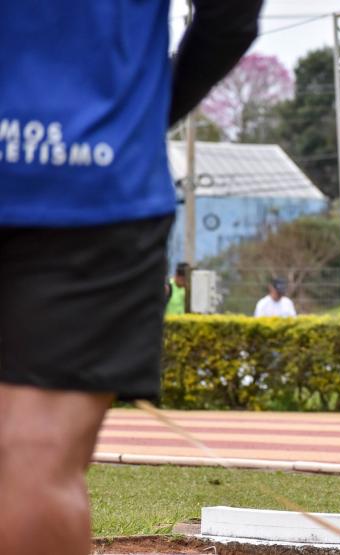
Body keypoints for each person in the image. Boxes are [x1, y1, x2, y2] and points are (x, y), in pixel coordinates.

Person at [0, 2, 263, 554]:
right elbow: (230, 17)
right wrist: (135, 121)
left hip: (91, 199)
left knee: (29, 465)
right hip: (95, 172)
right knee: (32, 461)